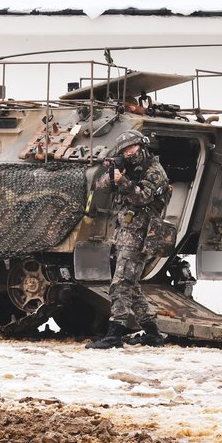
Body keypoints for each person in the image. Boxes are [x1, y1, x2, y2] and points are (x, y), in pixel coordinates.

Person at [87, 129, 171, 349]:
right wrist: (114, 174)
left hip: (141, 236)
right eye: (124, 150)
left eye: (131, 148)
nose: (128, 153)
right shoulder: (129, 168)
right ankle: (153, 334)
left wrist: (123, 181)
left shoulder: (154, 172)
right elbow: (101, 186)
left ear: (142, 147)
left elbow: (142, 197)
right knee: (131, 287)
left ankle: (114, 335)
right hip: (127, 234)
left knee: (120, 285)